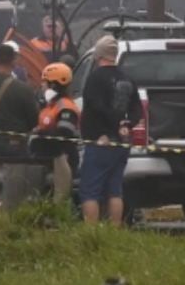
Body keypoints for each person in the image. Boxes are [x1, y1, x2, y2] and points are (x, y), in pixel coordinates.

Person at [79, 35, 140, 226]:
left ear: (98, 55)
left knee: (90, 191)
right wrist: (126, 125)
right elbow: (138, 109)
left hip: (100, 140)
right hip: (122, 143)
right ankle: (115, 230)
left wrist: (106, 130)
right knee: (115, 190)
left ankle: (91, 232)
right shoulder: (127, 78)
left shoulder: (95, 78)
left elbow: (95, 107)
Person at [30, 62, 80, 204]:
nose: (42, 86)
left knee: (59, 199)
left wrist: (43, 135)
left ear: (54, 85)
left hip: (62, 160)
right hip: (48, 159)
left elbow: (65, 132)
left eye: (44, 83)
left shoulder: (65, 107)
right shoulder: (50, 105)